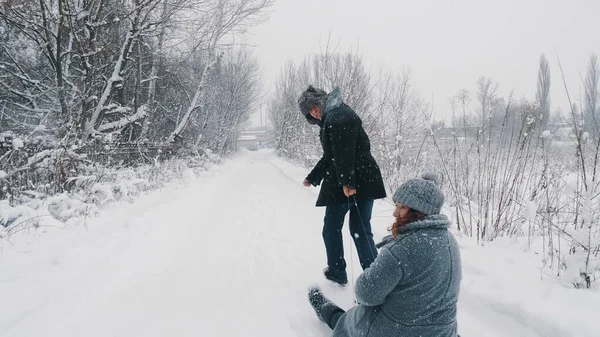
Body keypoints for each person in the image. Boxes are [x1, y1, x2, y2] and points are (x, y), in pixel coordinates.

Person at [307, 173, 462, 337]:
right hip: (444, 332)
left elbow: (365, 294)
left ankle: (325, 310)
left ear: (419, 212)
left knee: (351, 322)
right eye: (397, 205)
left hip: (398, 331)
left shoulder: (402, 248)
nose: (395, 213)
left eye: (401, 207)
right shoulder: (449, 240)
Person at [298, 85, 387, 286]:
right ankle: (376, 278)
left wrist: (348, 182)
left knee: (333, 228)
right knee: (360, 228)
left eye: (314, 106)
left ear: (321, 102)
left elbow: (344, 153)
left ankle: (339, 271)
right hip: (362, 180)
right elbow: (332, 155)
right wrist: (314, 177)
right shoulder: (337, 114)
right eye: (309, 110)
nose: (314, 111)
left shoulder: (338, 116)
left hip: (351, 181)